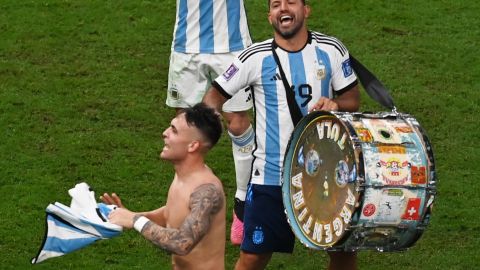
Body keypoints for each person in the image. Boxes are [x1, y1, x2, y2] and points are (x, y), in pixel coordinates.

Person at [202, 0, 360, 269]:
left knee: (343, 255)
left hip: (328, 176)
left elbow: (352, 99)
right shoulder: (254, 57)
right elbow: (214, 95)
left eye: (290, 2)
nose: (283, 9)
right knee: (252, 257)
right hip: (271, 177)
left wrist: (335, 104)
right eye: (276, 5)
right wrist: (208, 119)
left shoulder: (331, 49)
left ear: (306, 10)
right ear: (270, 16)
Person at [166, 0, 255, 245]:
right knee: (182, 125)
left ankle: (242, 206)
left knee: (237, 123)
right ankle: (183, 200)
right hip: (187, 44)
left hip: (232, 43)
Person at [101, 103, 226, 270]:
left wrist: (134, 220)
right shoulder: (184, 176)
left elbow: (182, 243)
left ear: (193, 145)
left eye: (173, 130)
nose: (164, 133)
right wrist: (129, 214)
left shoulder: (206, 191)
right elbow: (173, 212)